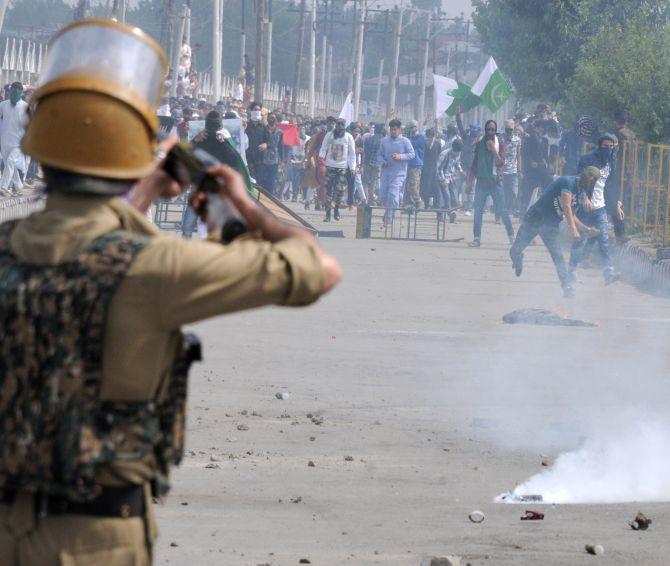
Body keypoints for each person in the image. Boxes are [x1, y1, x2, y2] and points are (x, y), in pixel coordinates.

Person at [0, 19, 341, 565]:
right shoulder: (153, 268)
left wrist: (146, 189)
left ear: (39, 152)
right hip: (95, 539)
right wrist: (243, 206)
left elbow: (78, 248)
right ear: (131, 158)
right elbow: (314, 267)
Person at [510, 167, 601, 298]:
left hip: (550, 226)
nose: (590, 181)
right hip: (535, 218)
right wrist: (574, 230)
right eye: (590, 178)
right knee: (514, 250)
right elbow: (566, 206)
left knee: (558, 257)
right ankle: (517, 258)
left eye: (594, 180)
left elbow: (573, 214)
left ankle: (566, 287)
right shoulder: (567, 182)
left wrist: (586, 228)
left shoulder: (580, 194)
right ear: (584, 175)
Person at [569, 133, 621, 285]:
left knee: (604, 238)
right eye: (605, 146)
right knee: (581, 239)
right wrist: (584, 197)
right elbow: (579, 180)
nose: (608, 150)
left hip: (601, 207)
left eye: (611, 147)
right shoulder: (588, 159)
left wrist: (617, 203)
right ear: (599, 146)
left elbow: (611, 186)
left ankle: (608, 272)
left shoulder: (611, 162)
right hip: (586, 207)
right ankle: (571, 271)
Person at [465, 120, 514, 247]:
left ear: (495, 131)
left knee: (503, 211)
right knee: (478, 212)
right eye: (488, 130)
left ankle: (512, 237)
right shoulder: (479, 144)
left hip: (495, 183)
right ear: (485, 130)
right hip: (481, 183)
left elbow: (500, 163)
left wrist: (493, 149)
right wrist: (469, 183)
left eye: (493, 130)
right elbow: (474, 166)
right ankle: (477, 238)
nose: (490, 132)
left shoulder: (500, 144)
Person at [377, 119, 415, 228]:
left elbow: (412, 154)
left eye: (395, 129)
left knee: (393, 196)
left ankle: (388, 221)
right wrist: (383, 162)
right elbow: (379, 155)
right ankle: (389, 211)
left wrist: (400, 156)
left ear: (399, 129)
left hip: (399, 174)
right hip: (385, 173)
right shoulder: (384, 141)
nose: (393, 131)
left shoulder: (405, 141)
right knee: (383, 196)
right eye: (391, 129)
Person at [319, 117, 356, 221]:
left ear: (344, 126)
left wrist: (352, 168)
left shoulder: (348, 137)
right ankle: (327, 214)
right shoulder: (329, 135)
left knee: (339, 190)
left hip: (342, 168)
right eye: (338, 124)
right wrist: (321, 156)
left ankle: (336, 209)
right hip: (330, 166)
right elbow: (324, 147)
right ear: (336, 125)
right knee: (328, 190)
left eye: (342, 124)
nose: (340, 126)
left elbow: (352, 154)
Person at [0, 82, 29, 195]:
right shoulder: (3, 105)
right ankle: (19, 187)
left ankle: (3, 186)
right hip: (5, 142)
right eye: (12, 91)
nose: (14, 93)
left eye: (17, 91)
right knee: (10, 165)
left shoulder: (25, 107)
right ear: (10, 91)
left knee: (11, 162)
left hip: (19, 143)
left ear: (21, 92)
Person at [256, 113, 284, 195]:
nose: (272, 119)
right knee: (260, 181)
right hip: (262, 159)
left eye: (274, 118)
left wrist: (282, 160)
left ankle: (270, 199)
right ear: (267, 119)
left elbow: (280, 146)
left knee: (271, 182)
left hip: (274, 161)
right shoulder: (262, 129)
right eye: (270, 118)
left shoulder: (280, 132)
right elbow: (259, 142)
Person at [500, 118, 522, 216]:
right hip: (502, 170)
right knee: (502, 192)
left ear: (514, 129)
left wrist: (519, 170)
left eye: (511, 129)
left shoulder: (517, 140)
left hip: (513, 170)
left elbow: (518, 155)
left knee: (513, 192)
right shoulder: (500, 138)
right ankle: (502, 211)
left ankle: (509, 208)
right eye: (507, 129)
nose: (509, 131)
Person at [436, 138, 464, 214]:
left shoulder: (458, 152)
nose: (457, 154)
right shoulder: (444, 154)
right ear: (453, 148)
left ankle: (453, 215)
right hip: (443, 178)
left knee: (454, 197)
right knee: (446, 197)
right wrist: (443, 180)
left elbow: (457, 163)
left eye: (459, 152)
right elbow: (438, 168)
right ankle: (441, 215)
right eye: (456, 152)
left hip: (452, 177)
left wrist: (461, 171)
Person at [419, 127, 443, 208]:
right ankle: (426, 204)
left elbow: (439, 155)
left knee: (436, 188)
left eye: (431, 135)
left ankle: (436, 206)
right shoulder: (424, 143)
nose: (430, 137)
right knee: (426, 187)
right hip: (425, 168)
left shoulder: (437, 144)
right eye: (428, 135)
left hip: (434, 169)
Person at [404, 120, 425, 208]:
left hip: (416, 164)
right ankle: (409, 205)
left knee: (413, 185)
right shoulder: (409, 137)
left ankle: (418, 201)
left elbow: (410, 145)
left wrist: (405, 138)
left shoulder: (420, 137)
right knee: (407, 186)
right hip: (408, 164)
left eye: (409, 128)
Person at [244, 101, 268, 178]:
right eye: (255, 109)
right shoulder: (245, 125)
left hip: (260, 158)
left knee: (259, 180)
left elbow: (269, 140)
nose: (257, 111)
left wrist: (266, 144)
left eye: (258, 110)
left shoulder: (263, 127)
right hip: (248, 158)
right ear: (251, 111)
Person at [362, 123, 383, 204]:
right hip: (377, 164)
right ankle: (371, 199)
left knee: (365, 182)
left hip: (367, 163)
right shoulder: (384, 141)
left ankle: (366, 198)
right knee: (374, 182)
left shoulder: (368, 139)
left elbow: (365, 152)